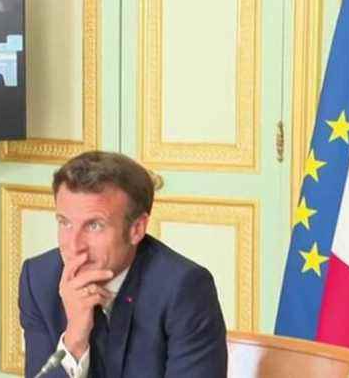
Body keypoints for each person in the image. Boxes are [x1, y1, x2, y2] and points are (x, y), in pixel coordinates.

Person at [19, 151, 228, 377]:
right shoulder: (39, 280)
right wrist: (74, 340)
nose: (74, 246)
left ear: (136, 229)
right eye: (65, 223)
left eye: (94, 226)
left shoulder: (184, 289)